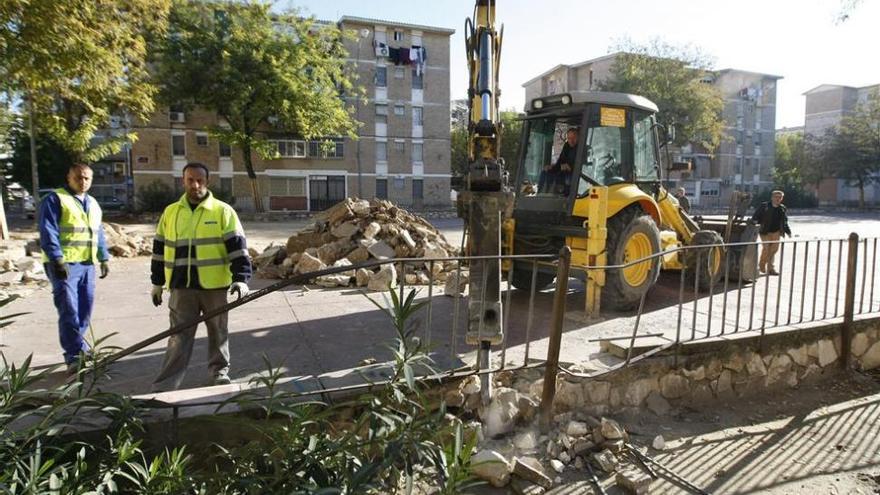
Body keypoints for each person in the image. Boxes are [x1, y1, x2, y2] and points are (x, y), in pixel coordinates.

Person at [150, 162, 252, 390]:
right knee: (178, 336)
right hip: (181, 286)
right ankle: (167, 384)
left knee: (218, 332)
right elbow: (159, 249)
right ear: (182, 181)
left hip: (214, 286)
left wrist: (241, 278)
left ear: (207, 182)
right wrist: (157, 282)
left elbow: (238, 248)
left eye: (200, 180)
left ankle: (219, 373)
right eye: (190, 180)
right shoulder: (171, 212)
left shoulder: (222, 211)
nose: (195, 185)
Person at [39, 163, 111, 374]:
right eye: (78, 178)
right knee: (69, 310)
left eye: (87, 178)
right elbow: (48, 230)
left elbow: (98, 233)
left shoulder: (93, 203)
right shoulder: (55, 199)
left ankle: (80, 347)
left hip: (87, 264)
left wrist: (103, 257)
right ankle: (73, 356)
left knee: (84, 309)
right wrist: (57, 259)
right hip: (65, 265)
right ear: (69, 178)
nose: (83, 182)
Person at [751, 190, 791, 276]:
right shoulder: (764, 206)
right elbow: (755, 215)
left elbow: (784, 221)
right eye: (776, 197)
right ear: (772, 197)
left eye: (780, 197)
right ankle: (762, 265)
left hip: (776, 232)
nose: (778, 199)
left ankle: (771, 269)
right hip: (765, 231)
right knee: (766, 248)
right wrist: (754, 222)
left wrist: (788, 231)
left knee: (773, 250)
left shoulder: (782, 208)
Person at [538, 127, 578, 195]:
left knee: (565, 180)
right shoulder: (566, 146)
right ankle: (540, 194)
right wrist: (552, 167)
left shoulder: (582, 148)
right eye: (569, 138)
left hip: (575, 174)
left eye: (573, 138)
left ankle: (564, 197)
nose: (571, 140)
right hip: (563, 172)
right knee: (545, 173)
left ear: (578, 137)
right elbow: (560, 161)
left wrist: (570, 167)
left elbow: (584, 167)